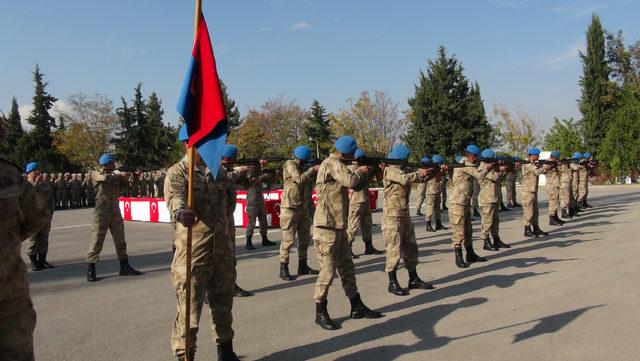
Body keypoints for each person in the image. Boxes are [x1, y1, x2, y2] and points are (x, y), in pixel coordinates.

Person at [165, 137, 241, 361]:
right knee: (189, 311)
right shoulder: (178, 172)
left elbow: (230, 201)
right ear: (190, 145)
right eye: (204, 143)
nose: (211, 147)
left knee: (223, 305)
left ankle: (226, 353)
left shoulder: (217, 171)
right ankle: (185, 355)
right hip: (193, 254)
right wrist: (182, 213)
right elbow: (174, 200)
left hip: (221, 252)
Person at [313, 135, 382, 330]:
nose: (354, 157)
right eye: (352, 153)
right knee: (327, 272)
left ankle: (356, 305)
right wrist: (360, 171)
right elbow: (351, 181)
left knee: (347, 268)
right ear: (345, 152)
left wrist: (369, 171)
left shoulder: (339, 164)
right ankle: (320, 310)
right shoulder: (332, 163)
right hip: (326, 228)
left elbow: (356, 182)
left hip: (339, 226)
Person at [0, 120, 51, 361]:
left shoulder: (8, 175)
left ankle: (40, 258)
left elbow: (38, 213)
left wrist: (8, 240)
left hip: (8, 295)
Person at [382, 144, 433, 296]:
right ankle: (392, 282)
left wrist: (430, 173)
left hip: (404, 215)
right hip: (392, 217)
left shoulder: (404, 170)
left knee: (411, 247)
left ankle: (413, 278)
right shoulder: (390, 170)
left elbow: (419, 178)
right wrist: (419, 173)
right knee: (394, 250)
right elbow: (405, 180)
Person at [86, 153, 142, 282]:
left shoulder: (115, 177)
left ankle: (124, 266)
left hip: (115, 212)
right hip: (101, 213)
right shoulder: (96, 173)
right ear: (105, 164)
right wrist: (119, 176)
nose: (114, 165)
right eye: (112, 163)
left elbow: (129, 187)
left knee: (120, 240)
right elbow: (104, 179)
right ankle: (91, 268)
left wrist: (135, 176)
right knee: (97, 241)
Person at [279, 145, 319, 280]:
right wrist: (312, 170)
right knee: (288, 239)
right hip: (290, 208)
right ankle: (283, 267)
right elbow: (298, 179)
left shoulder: (305, 167)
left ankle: (303, 265)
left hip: (304, 208)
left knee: (305, 238)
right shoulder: (290, 164)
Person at [448, 145, 492, 268]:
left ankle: (470, 254)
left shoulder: (467, 163)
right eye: (477, 157)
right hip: (457, 203)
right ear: (472, 156)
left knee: (468, 230)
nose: (478, 159)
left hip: (464, 202)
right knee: (459, 231)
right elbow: (480, 175)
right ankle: (458, 257)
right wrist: (487, 167)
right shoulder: (464, 164)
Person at [347, 148, 383, 258]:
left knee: (367, 224)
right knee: (353, 225)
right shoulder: (351, 168)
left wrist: (378, 170)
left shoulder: (365, 168)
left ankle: (369, 246)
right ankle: (347, 248)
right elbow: (351, 183)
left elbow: (374, 179)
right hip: (355, 201)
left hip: (364, 198)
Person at [25, 162, 56, 271]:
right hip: (32, 218)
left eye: (38, 170)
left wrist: (51, 212)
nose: (38, 172)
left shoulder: (45, 184)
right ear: (29, 173)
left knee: (44, 240)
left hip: (45, 217)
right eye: (35, 171)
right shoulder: (26, 184)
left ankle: (42, 261)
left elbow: (51, 199)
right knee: (33, 241)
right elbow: (25, 198)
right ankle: (34, 262)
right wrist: (35, 184)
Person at [478, 150, 511, 251]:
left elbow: (499, 179)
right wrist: (500, 169)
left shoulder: (492, 167)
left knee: (495, 221)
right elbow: (495, 177)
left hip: (494, 197)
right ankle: (486, 241)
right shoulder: (482, 168)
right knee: (487, 221)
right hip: (486, 199)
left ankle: (496, 240)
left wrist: (503, 169)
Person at [244, 164, 277, 250]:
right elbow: (250, 179)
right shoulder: (250, 174)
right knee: (251, 222)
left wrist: (273, 174)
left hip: (260, 200)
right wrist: (260, 172)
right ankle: (248, 241)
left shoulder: (259, 175)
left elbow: (269, 182)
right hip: (252, 201)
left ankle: (265, 239)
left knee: (263, 220)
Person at [522, 148, 553, 237]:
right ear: (533, 155)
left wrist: (547, 166)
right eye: (537, 155)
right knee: (528, 211)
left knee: (535, 211)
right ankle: (527, 229)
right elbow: (537, 171)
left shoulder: (533, 163)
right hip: (527, 191)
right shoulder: (527, 163)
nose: (538, 157)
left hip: (533, 190)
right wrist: (545, 166)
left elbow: (541, 170)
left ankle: (536, 228)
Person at [423, 155, 449, 232]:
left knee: (437, 208)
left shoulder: (438, 169)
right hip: (430, 192)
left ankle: (438, 224)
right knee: (429, 208)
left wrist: (443, 170)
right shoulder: (430, 169)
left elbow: (441, 176)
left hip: (437, 191)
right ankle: (428, 225)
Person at [546, 151, 565, 226]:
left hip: (555, 184)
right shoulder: (547, 163)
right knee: (553, 202)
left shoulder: (555, 163)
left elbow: (562, 171)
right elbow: (545, 170)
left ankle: (555, 217)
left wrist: (559, 165)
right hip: (551, 185)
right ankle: (551, 218)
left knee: (555, 202)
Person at [570, 152, 583, 216]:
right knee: (574, 196)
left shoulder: (576, 163)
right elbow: (576, 168)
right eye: (579, 159)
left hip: (576, 182)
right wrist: (581, 165)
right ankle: (573, 210)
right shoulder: (571, 163)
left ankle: (575, 207)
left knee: (576, 195)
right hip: (573, 183)